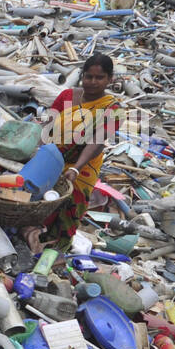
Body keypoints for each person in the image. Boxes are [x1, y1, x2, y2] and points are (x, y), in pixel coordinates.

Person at [47, 53, 120, 242]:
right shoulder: (67, 96)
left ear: (109, 79)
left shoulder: (113, 109)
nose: (93, 82)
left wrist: (75, 168)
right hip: (53, 159)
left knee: (70, 205)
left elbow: (97, 140)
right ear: (82, 76)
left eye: (100, 77)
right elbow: (47, 128)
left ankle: (57, 248)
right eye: (89, 76)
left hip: (83, 166)